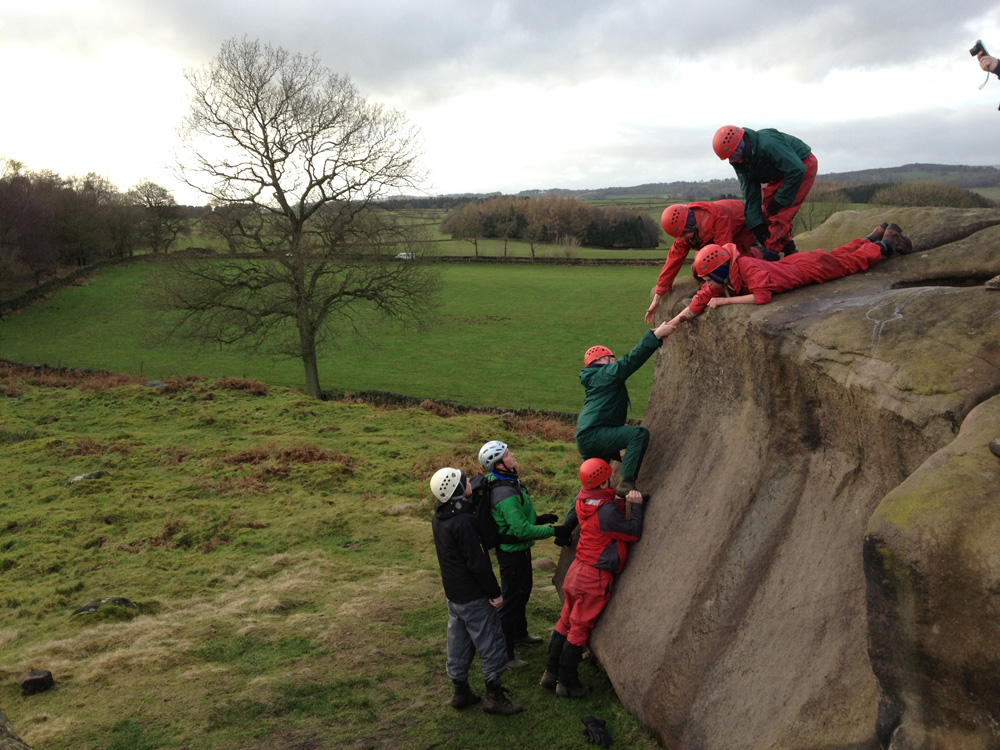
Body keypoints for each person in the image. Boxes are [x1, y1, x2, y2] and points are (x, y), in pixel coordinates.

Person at [661, 223, 912, 330]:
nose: (706, 285)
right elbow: (700, 301)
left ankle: (887, 243)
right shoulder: (726, 273)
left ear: (718, 270)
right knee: (836, 256)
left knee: (849, 264)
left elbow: (762, 296)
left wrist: (727, 301)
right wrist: (672, 324)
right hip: (795, 263)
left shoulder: (748, 268)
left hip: (805, 270)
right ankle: (871, 237)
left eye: (707, 278)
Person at [540, 458, 645, 698]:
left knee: (564, 621)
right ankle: (567, 684)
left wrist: (617, 501)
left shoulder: (585, 499)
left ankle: (551, 673)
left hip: (577, 570)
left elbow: (605, 516)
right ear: (605, 478)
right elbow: (631, 532)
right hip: (594, 575)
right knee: (578, 628)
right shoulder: (605, 510)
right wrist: (636, 506)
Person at [430, 466, 523, 715]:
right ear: (458, 490)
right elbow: (477, 563)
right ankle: (494, 696)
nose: (470, 482)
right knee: (490, 640)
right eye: (465, 481)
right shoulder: (464, 522)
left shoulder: (440, 516)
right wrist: (494, 593)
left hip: (454, 594)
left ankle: (460, 691)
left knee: (458, 641)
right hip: (474, 596)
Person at [478, 440, 571, 669]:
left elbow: (517, 521)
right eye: (508, 454)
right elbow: (520, 530)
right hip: (512, 554)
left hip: (518, 550)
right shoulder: (504, 492)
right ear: (499, 464)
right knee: (511, 600)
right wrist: (554, 531)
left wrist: (539, 519)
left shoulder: (505, 480)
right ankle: (504, 654)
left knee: (522, 592)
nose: (513, 455)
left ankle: (519, 634)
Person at [576, 322, 674, 498]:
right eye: (609, 358)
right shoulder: (603, 375)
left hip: (588, 436)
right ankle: (626, 484)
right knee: (638, 434)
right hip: (594, 434)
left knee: (593, 484)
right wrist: (655, 336)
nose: (613, 361)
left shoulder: (596, 378)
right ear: (597, 362)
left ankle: (568, 525)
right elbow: (629, 361)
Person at [646, 199, 762, 323]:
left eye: (683, 234)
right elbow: (674, 258)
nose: (681, 239)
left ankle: (758, 254)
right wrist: (658, 296)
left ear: (690, 226)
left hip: (741, 229)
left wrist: (708, 293)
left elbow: (724, 258)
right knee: (698, 270)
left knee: (737, 272)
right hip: (717, 235)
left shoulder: (717, 218)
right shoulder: (686, 226)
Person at [713, 125, 818, 261]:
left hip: (801, 166)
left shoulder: (768, 143)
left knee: (781, 213)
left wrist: (781, 199)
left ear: (741, 147)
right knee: (767, 209)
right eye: (728, 159)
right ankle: (790, 249)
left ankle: (771, 255)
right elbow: (749, 191)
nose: (732, 160)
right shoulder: (741, 162)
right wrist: (757, 225)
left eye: (733, 156)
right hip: (779, 172)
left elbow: (797, 169)